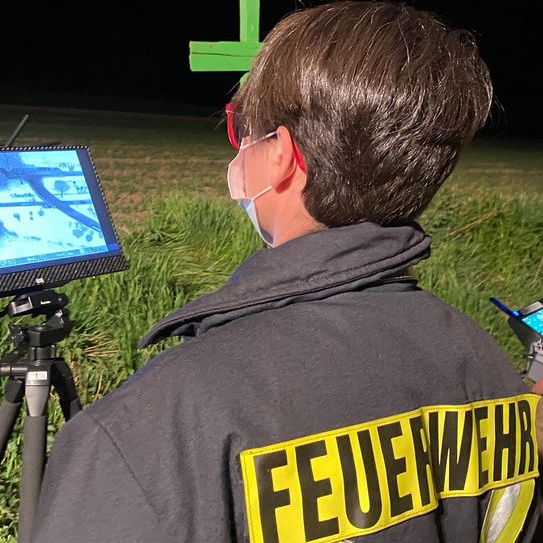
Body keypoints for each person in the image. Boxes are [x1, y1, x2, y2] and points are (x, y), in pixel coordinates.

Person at [32, 2, 541, 542]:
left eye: (242, 130)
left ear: (280, 154)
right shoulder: (493, 373)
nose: (239, 148)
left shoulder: (148, 432)